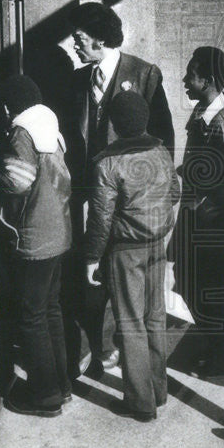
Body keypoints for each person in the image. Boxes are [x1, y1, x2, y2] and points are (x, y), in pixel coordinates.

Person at [59, 2, 174, 383]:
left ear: (100, 38)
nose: (75, 45)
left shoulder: (144, 74)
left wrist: (148, 201)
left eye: (79, 38)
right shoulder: (78, 81)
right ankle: (100, 348)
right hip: (89, 198)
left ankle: (133, 367)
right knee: (91, 275)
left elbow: (164, 142)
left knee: (132, 293)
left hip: (129, 209)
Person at [82, 92, 181, 422]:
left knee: (130, 322)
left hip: (126, 249)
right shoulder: (160, 150)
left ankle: (140, 402)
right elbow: (176, 191)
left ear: (114, 124)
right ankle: (159, 390)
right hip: (157, 242)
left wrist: (92, 256)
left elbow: (100, 217)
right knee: (155, 316)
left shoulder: (107, 162)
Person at [0, 75, 72, 418]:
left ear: (10, 107)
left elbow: (18, 182)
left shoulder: (22, 131)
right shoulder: (49, 127)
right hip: (59, 233)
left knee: (31, 317)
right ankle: (61, 386)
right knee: (50, 309)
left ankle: (44, 396)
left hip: (35, 236)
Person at [177, 46, 224, 378]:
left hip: (217, 225)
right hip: (200, 218)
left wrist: (203, 208)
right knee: (191, 284)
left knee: (217, 292)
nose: (185, 80)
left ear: (206, 80)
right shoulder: (203, 115)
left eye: (191, 74)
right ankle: (221, 349)